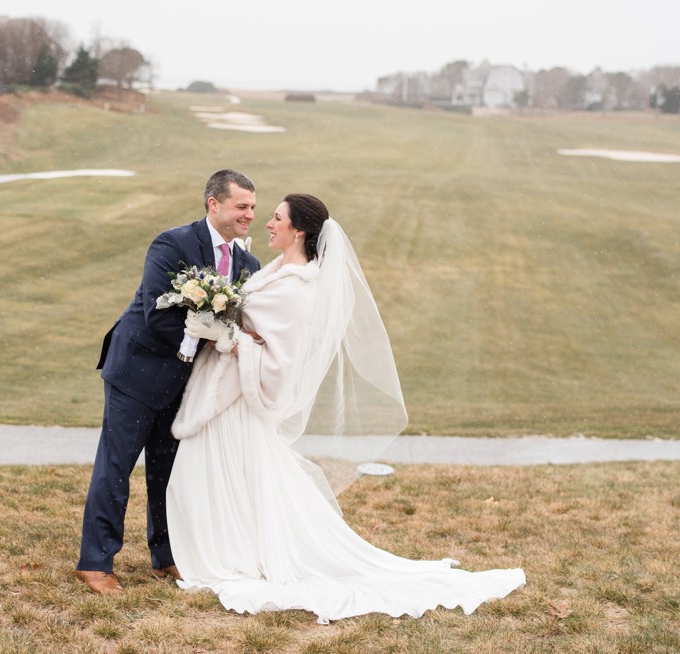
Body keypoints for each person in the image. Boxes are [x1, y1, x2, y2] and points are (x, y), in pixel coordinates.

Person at [167, 193, 525, 623]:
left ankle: (231, 554)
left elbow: (279, 358)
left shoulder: (297, 290)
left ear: (298, 230)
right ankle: (227, 546)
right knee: (218, 476)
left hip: (239, 401)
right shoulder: (278, 272)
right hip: (225, 395)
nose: (268, 223)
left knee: (222, 474)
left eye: (277, 218)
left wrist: (222, 335)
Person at [75, 170, 262, 594]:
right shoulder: (172, 244)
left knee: (170, 472)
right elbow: (157, 317)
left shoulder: (248, 265)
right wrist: (221, 336)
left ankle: (166, 557)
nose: (250, 214)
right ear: (214, 204)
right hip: (137, 371)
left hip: (188, 384)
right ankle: (95, 562)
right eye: (242, 206)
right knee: (116, 467)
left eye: (253, 206)